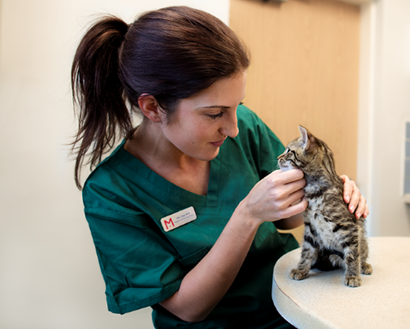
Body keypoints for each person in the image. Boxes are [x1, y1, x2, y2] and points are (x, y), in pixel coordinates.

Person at [71, 6, 369, 329]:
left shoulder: (245, 128)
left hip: (296, 310)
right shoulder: (111, 193)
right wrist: (247, 215)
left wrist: (330, 198)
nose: (233, 128)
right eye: (215, 114)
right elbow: (188, 308)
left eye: (236, 107)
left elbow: (287, 216)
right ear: (153, 107)